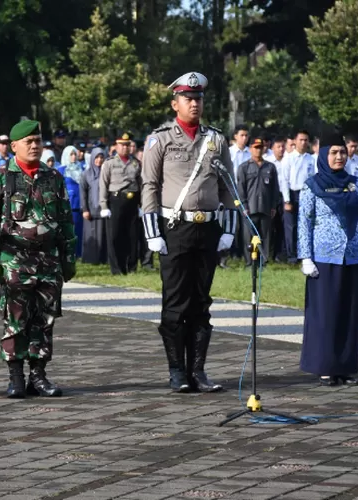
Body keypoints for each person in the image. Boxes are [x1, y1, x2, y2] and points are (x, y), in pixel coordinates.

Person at [141, 71, 237, 393]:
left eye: (198, 98)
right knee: (175, 303)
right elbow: (150, 187)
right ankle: (177, 371)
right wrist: (152, 231)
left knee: (201, 302)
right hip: (174, 228)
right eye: (188, 98)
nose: (194, 103)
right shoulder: (161, 139)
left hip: (207, 228)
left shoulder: (216, 139)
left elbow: (228, 186)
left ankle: (198, 371)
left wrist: (230, 228)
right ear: (175, 103)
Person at [0, 119, 76, 399]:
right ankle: (15, 377)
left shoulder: (53, 177)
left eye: (38, 141)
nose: (35, 146)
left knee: (44, 320)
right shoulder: (0, 177)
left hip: (47, 261)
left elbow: (65, 220)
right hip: (14, 261)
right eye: (28, 142)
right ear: (14, 147)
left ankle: (39, 375)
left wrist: (68, 257)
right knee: (15, 320)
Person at [297, 136, 358, 386]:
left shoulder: (354, 184)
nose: (340, 157)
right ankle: (325, 367)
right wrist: (305, 256)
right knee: (325, 314)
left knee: (347, 314)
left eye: (343, 152)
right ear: (323, 156)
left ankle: (344, 367)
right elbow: (304, 222)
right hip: (323, 258)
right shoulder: (312, 186)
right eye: (334, 153)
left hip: (350, 257)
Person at [99, 133, 141, 275]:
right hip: (116, 200)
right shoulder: (109, 163)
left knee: (132, 235)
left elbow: (140, 184)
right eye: (122, 145)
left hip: (133, 200)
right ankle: (117, 268)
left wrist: (141, 204)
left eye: (127, 145)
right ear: (116, 146)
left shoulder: (135, 163)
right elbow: (103, 185)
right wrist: (104, 205)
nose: (125, 148)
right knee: (115, 236)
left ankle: (132, 266)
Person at [237, 138, 280, 267]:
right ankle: (249, 262)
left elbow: (275, 188)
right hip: (250, 207)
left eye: (260, 147)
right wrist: (244, 205)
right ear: (250, 149)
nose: (258, 150)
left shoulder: (270, 167)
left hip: (266, 207)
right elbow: (240, 188)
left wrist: (273, 206)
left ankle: (264, 261)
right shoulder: (244, 167)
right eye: (255, 147)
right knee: (248, 236)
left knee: (266, 236)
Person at [281, 130, 315, 264]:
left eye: (306, 140)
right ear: (295, 141)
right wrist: (287, 200)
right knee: (292, 226)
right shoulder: (288, 158)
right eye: (301, 139)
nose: (303, 142)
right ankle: (292, 256)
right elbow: (284, 180)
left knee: (306, 225)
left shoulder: (310, 159)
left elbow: (313, 179)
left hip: (306, 193)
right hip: (293, 193)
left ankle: (305, 254)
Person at [79, 147, 108, 265]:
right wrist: (85, 209)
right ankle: (90, 259)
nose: (99, 160)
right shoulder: (86, 174)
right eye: (97, 157)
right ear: (92, 158)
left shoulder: (106, 173)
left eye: (101, 157)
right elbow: (83, 193)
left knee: (103, 235)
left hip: (103, 210)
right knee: (91, 234)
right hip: (90, 210)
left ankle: (103, 259)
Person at [58, 145, 84, 257]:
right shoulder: (61, 170)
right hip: (67, 206)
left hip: (80, 205)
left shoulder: (81, 168)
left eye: (75, 154)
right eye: (71, 154)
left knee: (79, 230)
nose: (74, 157)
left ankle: (79, 253)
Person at [269, 136, 288, 262]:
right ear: (272, 149)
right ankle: (269, 253)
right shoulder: (268, 162)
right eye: (278, 147)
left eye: (283, 147)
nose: (281, 149)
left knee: (283, 227)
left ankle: (280, 254)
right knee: (271, 227)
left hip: (285, 196)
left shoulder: (288, 160)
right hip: (271, 197)